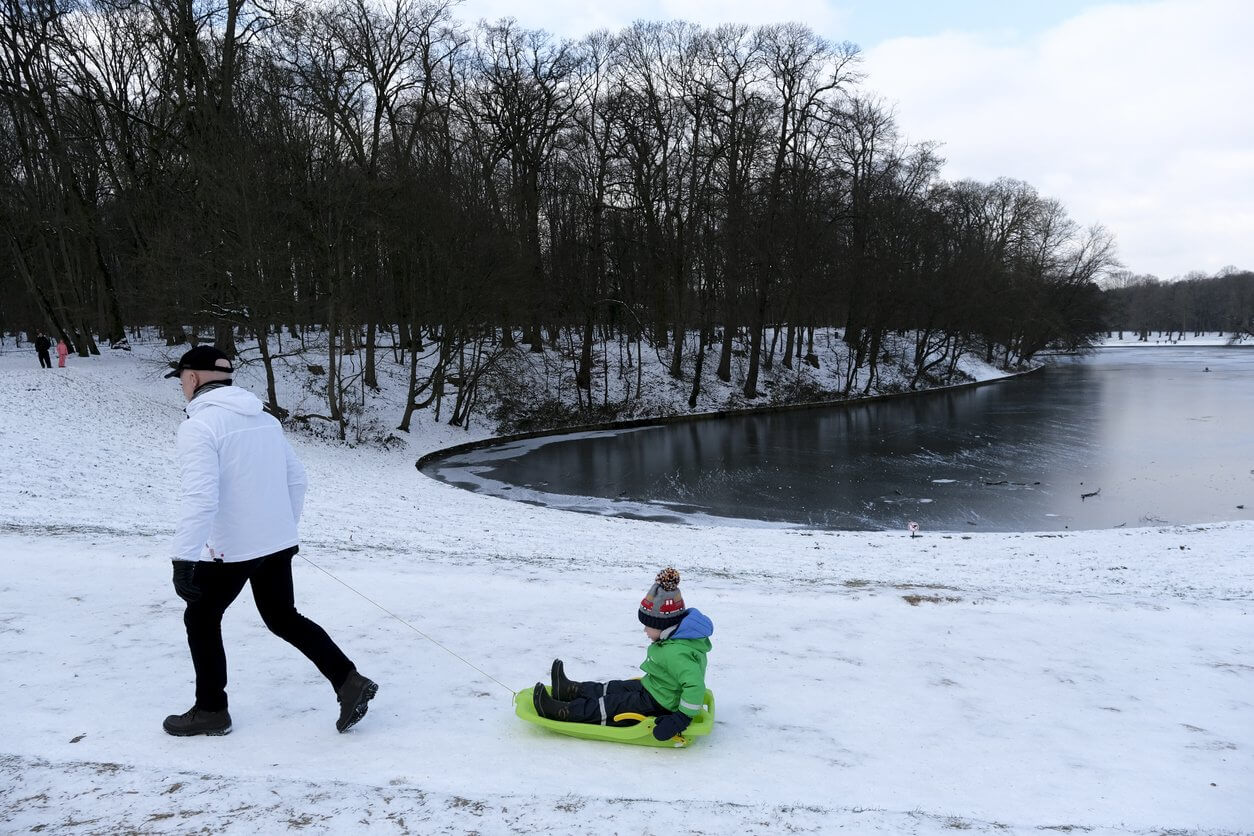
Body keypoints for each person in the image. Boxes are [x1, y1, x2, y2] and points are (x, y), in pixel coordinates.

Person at [163, 345, 377, 736]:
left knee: (201, 618)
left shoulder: (199, 426)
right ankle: (348, 680)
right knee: (282, 617)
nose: (181, 386)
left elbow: (200, 496)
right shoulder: (264, 420)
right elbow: (297, 480)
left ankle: (211, 710)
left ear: (192, 378)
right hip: (276, 543)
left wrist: (183, 558)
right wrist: (281, 529)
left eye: (180, 379)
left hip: (230, 551)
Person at [532, 568, 713, 742]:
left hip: (662, 704)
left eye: (648, 625)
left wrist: (680, 719)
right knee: (614, 688)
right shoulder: (674, 640)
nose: (644, 630)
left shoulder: (677, 652)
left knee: (612, 705)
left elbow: (694, 686)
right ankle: (571, 691)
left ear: (663, 625)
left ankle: (565, 712)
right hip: (654, 688)